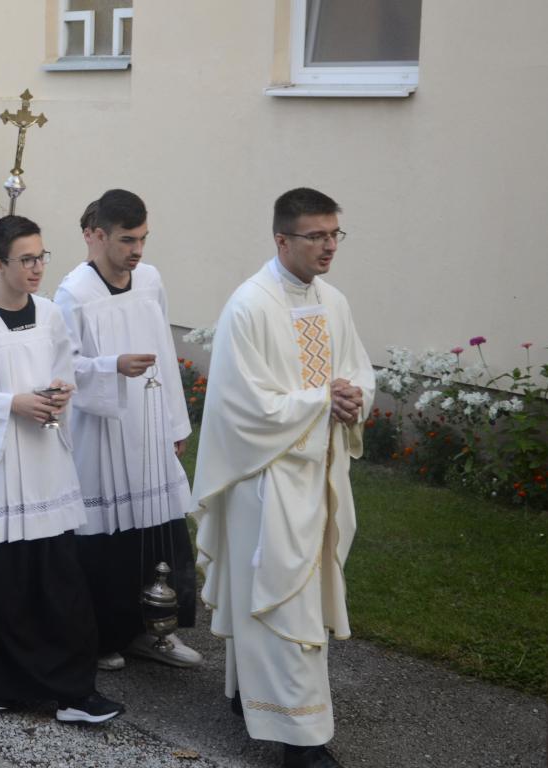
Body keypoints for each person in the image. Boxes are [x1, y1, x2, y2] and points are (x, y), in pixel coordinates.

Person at [192, 188, 372, 768]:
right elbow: (245, 407)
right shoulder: (250, 306)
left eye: (334, 234)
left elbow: (357, 373)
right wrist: (325, 401)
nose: (328, 247)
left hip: (317, 472)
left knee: (289, 599)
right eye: (316, 236)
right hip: (265, 478)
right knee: (281, 603)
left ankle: (251, 696)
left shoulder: (333, 302)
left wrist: (352, 399)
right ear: (282, 239)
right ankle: (302, 740)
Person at [0, 214, 123, 724]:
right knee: (5, 589)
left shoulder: (51, 313)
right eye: (26, 259)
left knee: (60, 583)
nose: (37, 267)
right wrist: (10, 403)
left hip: (43, 467)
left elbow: (64, 369)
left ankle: (73, 691)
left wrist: (60, 394)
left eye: (41, 256)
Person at [54, 189, 202, 673]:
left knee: (162, 532)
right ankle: (106, 636)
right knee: (108, 542)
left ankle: (158, 630)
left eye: (143, 239)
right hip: (104, 432)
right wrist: (110, 366)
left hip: (151, 420)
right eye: (126, 240)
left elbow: (163, 344)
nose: (137, 251)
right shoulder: (73, 292)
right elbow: (64, 367)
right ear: (96, 235)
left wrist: (176, 422)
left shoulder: (151, 280)